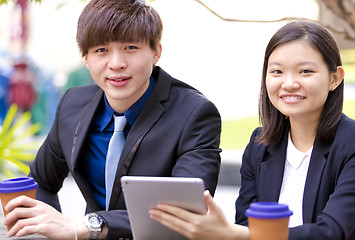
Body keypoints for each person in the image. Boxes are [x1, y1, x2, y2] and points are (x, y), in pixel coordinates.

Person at [1, 0, 221, 239]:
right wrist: (53, 228)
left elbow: (184, 212)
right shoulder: (72, 106)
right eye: (101, 51)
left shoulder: (195, 114)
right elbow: (41, 183)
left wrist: (83, 227)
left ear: (156, 51)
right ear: (85, 58)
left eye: (130, 48)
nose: (116, 64)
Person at [149, 19, 355, 240]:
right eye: (277, 71)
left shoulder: (353, 141)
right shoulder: (260, 145)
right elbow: (245, 224)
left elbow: (332, 232)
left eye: (305, 71)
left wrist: (235, 234)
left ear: (334, 78)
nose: (289, 83)